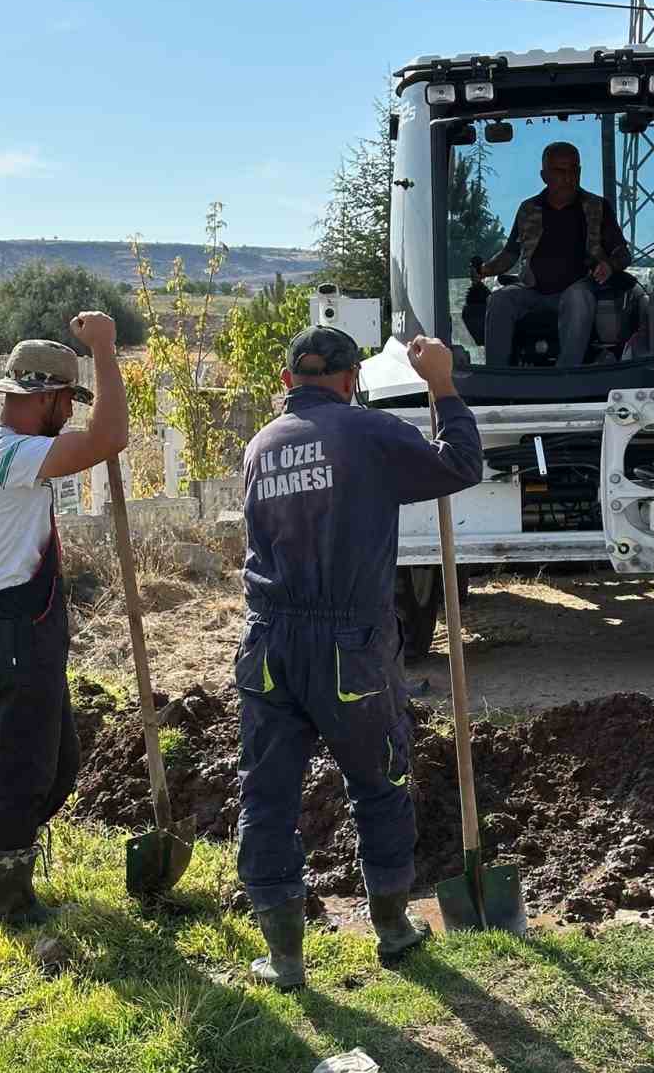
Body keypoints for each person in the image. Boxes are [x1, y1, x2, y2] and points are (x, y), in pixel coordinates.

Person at [237, 325, 483, 990]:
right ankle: (394, 929)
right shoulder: (367, 431)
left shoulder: (261, 445)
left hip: (267, 644)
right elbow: (460, 465)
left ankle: (285, 959)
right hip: (350, 644)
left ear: (288, 382)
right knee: (378, 781)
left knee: (268, 793)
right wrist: (441, 384)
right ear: (351, 381)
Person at [0, 315, 128, 925]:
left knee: (58, 758)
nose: (71, 411)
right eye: (68, 400)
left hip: (11, 619)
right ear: (48, 398)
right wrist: (106, 350)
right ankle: (5, 892)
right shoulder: (14, 453)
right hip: (15, 630)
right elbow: (107, 437)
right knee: (21, 759)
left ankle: (1, 863)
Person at [476, 142, 631, 368]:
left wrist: (610, 265)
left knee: (578, 296)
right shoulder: (528, 209)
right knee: (500, 299)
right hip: (532, 289)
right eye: (559, 171)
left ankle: (566, 375)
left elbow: (622, 254)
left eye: (573, 170)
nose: (568, 178)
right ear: (544, 175)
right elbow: (510, 253)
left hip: (579, 289)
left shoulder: (597, 207)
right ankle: (496, 376)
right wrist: (485, 270)